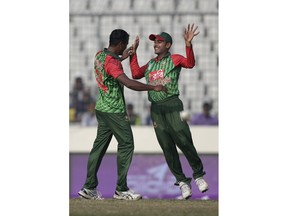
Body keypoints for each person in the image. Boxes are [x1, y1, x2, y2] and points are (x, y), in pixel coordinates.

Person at [78, 29, 167, 201]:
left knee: (99, 148)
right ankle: (121, 189)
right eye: (124, 45)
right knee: (126, 144)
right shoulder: (113, 63)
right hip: (115, 111)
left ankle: (88, 188)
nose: (124, 47)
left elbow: (111, 63)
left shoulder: (100, 55)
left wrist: (124, 56)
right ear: (119, 44)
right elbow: (128, 83)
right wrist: (153, 87)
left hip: (101, 109)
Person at [129, 24, 208, 200]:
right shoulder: (150, 64)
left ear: (168, 45)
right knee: (166, 146)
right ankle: (181, 181)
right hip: (156, 109)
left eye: (159, 41)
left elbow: (190, 63)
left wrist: (188, 45)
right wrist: (133, 54)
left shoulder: (175, 59)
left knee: (183, 139)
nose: (156, 44)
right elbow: (135, 74)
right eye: (155, 41)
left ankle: (199, 175)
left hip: (172, 104)